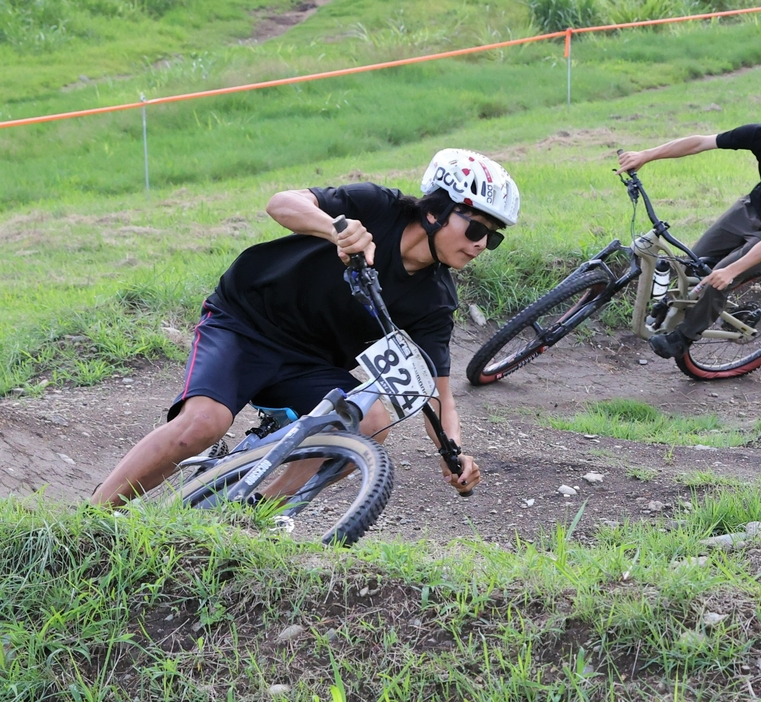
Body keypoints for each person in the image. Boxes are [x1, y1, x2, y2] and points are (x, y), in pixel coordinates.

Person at [91, 148, 520, 507]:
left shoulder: (435, 300)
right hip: (246, 324)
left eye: (493, 237)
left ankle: (252, 518)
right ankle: (91, 517)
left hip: (308, 364)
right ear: (434, 213)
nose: (482, 243)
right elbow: (281, 203)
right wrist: (335, 229)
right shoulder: (375, 206)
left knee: (371, 424)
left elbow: (434, 391)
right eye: (477, 228)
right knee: (203, 425)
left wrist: (453, 452)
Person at [617, 85, 761, 360]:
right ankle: (678, 303)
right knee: (696, 260)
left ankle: (684, 337)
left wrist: (731, 271)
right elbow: (700, 142)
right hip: (754, 206)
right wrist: (646, 155)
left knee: (723, 275)